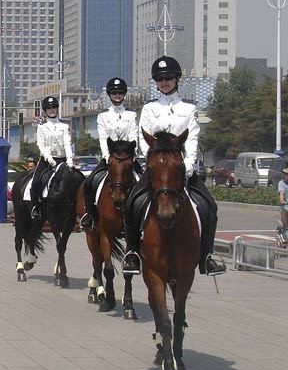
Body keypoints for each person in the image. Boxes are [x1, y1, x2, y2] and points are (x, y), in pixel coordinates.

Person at [121, 56, 225, 276]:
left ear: (177, 79)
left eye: (168, 77)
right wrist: (152, 164)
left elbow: (193, 138)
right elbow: (143, 141)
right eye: (160, 79)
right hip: (157, 171)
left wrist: (187, 166)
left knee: (210, 207)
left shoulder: (188, 109)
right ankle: (132, 253)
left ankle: (207, 255)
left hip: (182, 170)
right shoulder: (149, 109)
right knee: (132, 204)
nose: (164, 82)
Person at [79, 77, 140, 231]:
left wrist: (132, 154)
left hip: (127, 158)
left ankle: (143, 217)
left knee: (145, 179)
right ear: (109, 95)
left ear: (124, 94)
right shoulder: (103, 116)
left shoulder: (131, 115)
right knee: (90, 182)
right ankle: (90, 216)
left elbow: (134, 136)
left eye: (120, 93)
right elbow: (103, 138)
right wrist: (107, 157)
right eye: (114, 93)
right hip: (111, 158)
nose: (117, 95)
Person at [30, 96, 74, 220]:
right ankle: (36, 207)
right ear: (45, 110)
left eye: (54, 107)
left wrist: (70, 159)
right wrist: (49, 159)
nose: (52, 110)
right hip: (47, 161)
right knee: (36, 182)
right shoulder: (42, 127)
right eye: (49, 108)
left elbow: (67, 143)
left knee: (76, 180)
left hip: (62, 159)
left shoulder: (64, 126)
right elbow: (41, 145)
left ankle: (77, 209)